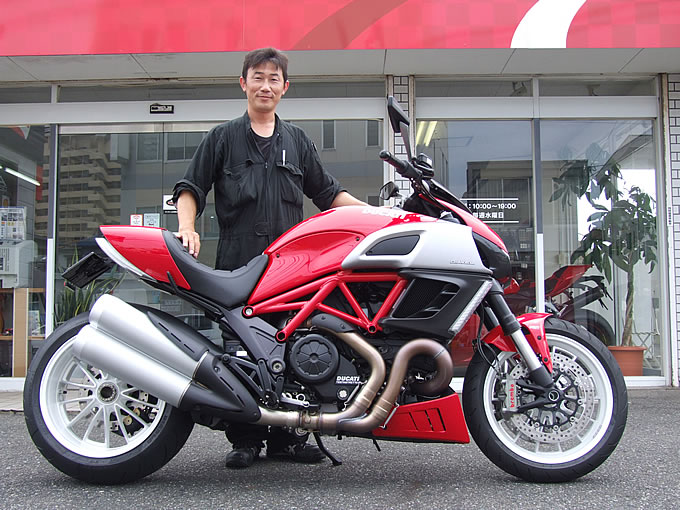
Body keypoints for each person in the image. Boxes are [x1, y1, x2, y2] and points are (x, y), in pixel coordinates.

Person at [172, 47, 366, 468]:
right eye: (257, 77)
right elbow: (190, 188)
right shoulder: (222, 138)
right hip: (238, 266)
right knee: (240, 352)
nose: (265, 85)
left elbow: (328, 194)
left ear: (284, 87)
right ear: (243, 83)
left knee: (290, 348)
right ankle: (245, 438)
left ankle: (287, 440)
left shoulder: (297, 141)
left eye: (273, 78)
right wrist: (187, 226)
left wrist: (374, 215)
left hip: (290, 269)